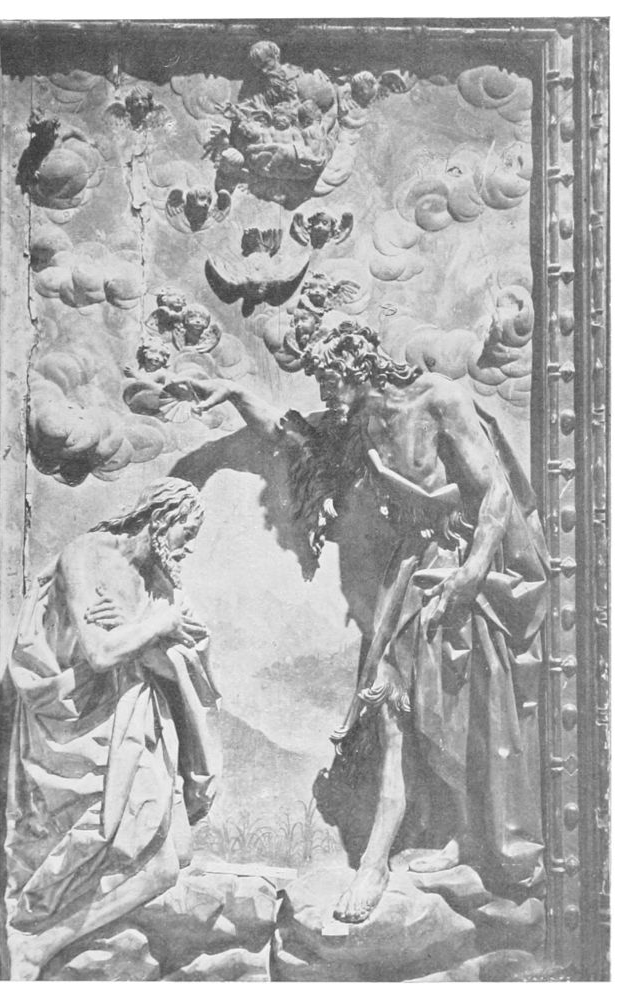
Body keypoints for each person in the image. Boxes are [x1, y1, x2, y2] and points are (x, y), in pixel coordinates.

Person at [170, 321, 547, 923]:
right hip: (408, 572)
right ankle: (375, 861)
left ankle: (465, 837)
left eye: (330, 382)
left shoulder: (440, 398)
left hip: (456, 566)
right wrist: (236, 392)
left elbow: (495, 493)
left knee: (456, 714)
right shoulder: (357, 422)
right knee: (393, 710)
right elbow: (292, 436)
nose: (326, 396)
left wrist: (472, 572)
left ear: (357, 366)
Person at [4, 478, 220, 978]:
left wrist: (142, 632)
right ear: (162, 518)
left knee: (176, 854)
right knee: (161, 865)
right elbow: (101, 654)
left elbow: (176, 663)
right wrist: (156, 628)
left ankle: (45, 943)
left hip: (132, 716)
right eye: (187, 533)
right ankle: (37, 946)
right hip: (80, 724)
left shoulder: (157, 584)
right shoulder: (85, 555)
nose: (187, 548)